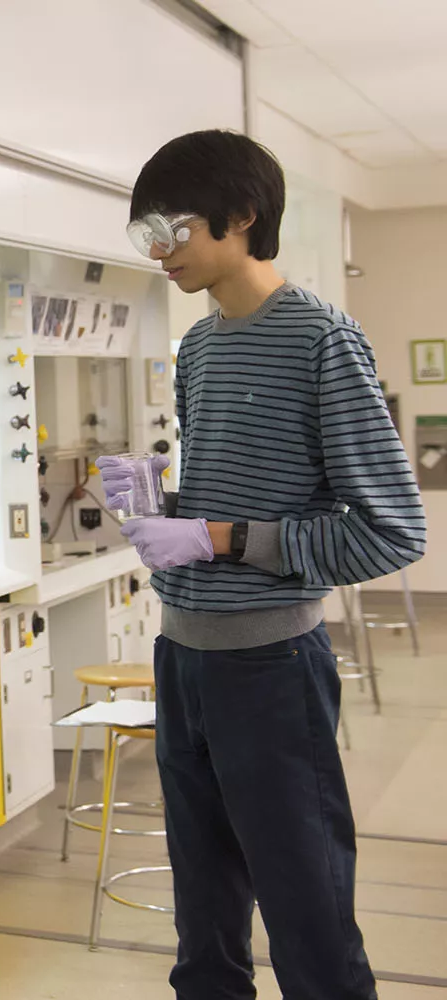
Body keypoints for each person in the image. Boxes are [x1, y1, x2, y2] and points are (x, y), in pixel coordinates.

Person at [102, 130, 425, 1000]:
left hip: (271, 668)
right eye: (147, 236)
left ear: (241, 217)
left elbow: (392, 531)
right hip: (184, 658)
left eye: (172, 230)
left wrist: (220, 538)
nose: (161, 253)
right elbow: (215, 510)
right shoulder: (202, 347)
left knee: (307, 914)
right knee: (202, 922)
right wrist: (154, 506)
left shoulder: (323, 338)